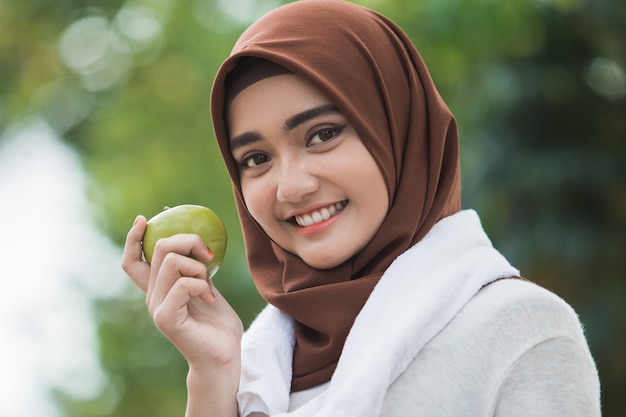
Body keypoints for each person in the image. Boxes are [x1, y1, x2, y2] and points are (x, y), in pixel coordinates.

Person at [121, 1, 601, 416]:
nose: (291, 186)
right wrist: (213, 372)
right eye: (257, 159)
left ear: (397, 130)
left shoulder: (519, 331)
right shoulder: (256, 368)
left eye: (323, 134)